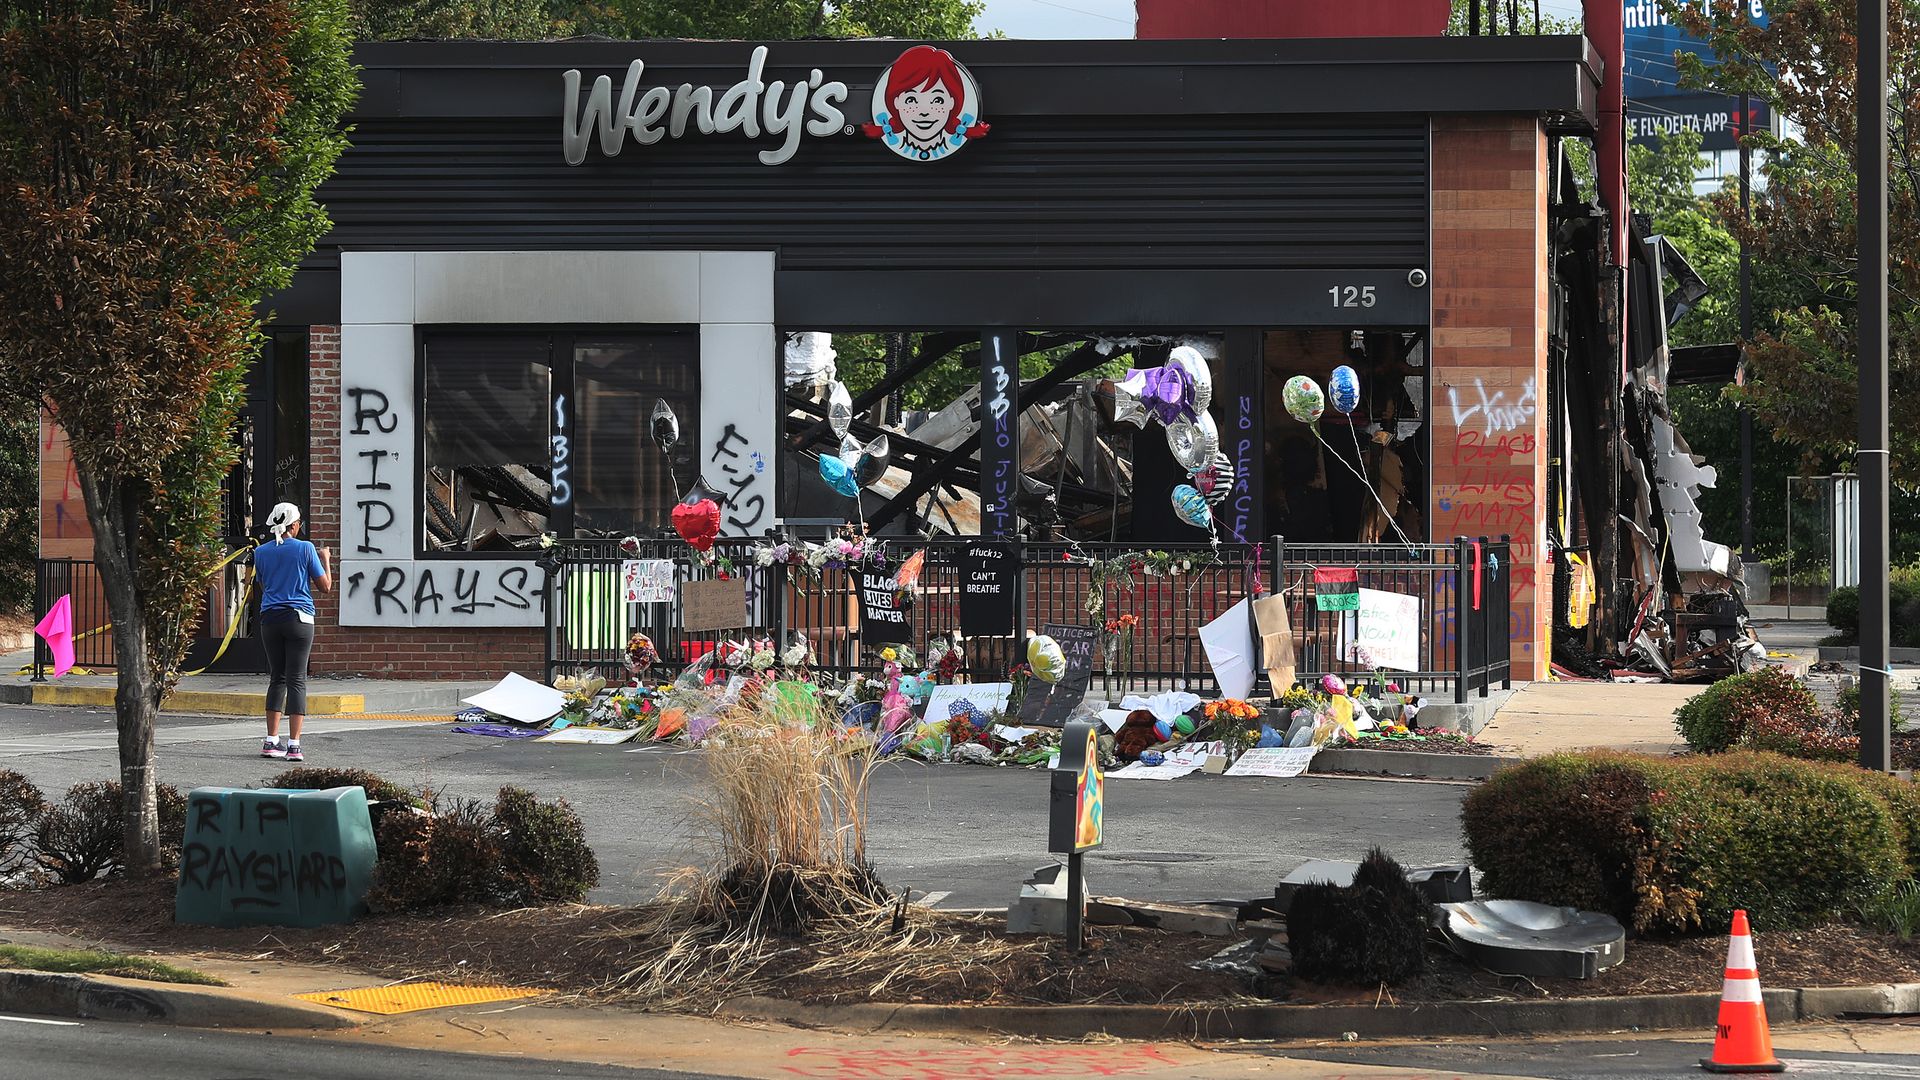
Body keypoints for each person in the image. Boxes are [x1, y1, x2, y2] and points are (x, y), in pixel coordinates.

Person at [254, 503, 331, 762]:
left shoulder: (260, 552)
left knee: (277, 678)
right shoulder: (305, 548)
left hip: (269, 619)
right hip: (299, 618)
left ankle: (270, 740)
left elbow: (263, 584)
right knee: (297, 679)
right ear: (294, 525)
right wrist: (326, 560)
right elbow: (325, 587)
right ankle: (294, 745)